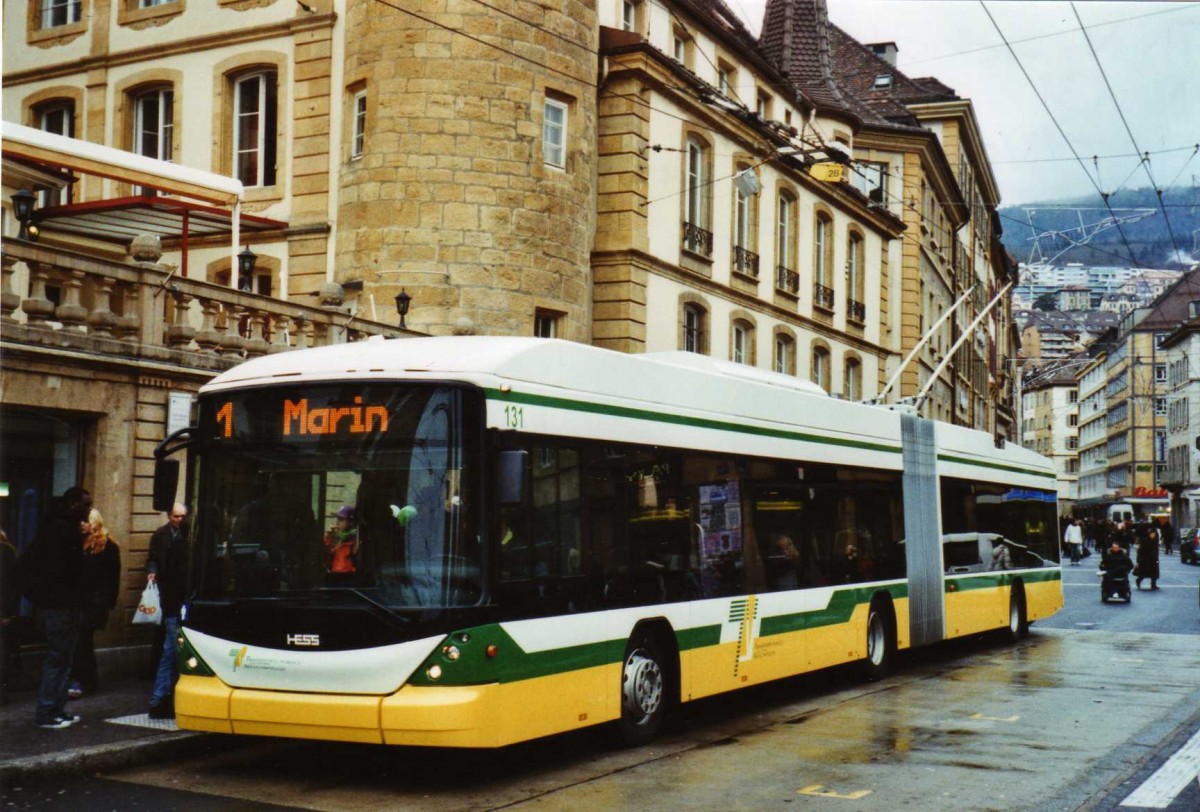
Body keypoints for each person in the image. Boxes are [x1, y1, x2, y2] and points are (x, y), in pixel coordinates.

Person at [24, 486, 91, 729]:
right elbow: (64, 571)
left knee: (64, 659)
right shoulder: (62, 529)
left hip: (64, 603)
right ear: (74, 504)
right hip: (61, 605)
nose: (89, 508)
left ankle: (57, 710)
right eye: (86, 504)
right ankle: (47, 713)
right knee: (58, 659)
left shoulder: (61, 526)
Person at [69, 508, 121, 698]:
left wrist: (108, 602)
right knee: (82, 641)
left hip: (95, 602)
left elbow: (113, 577)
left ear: (95, 523)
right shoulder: (77, 543)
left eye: (86, 521)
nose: (82, 525)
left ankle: (83, 681)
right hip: (80, 601)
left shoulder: (108, 546)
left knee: (82, 640)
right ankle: (87, 680)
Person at [147, 503, 188, 719]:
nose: (180, 520)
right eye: (176, 516)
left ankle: (159, 698)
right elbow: (153, 558)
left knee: (169, 651)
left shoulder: (183, 537)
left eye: (183, 516)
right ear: (169, 516)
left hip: (171, 603)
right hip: (173, 602)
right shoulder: (170, 539)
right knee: (172, 652)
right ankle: (162, 698)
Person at [324, 505, 359, 574]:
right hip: (335, 577)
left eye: (341, 520)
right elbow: (326, 557)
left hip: (345, 580)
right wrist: (328, 538)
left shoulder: (355, 542)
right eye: (337, 519)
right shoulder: (339, 540)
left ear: (351, 522)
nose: (337, 523)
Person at [1136, 526, 1160, 591]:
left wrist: (1157, 558)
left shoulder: (1155, 541)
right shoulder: (1144, 541)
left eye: (1154, 534)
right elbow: (1140, 550)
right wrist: (1139, 559)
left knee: (1154, 573)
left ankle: (1153, 585)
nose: (1153, 535)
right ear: (1149, 534)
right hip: (1145, 559)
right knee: (1144, 573)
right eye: (1151, 534)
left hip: (1153, 559)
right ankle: (1139, 580)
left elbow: (1156, 550)